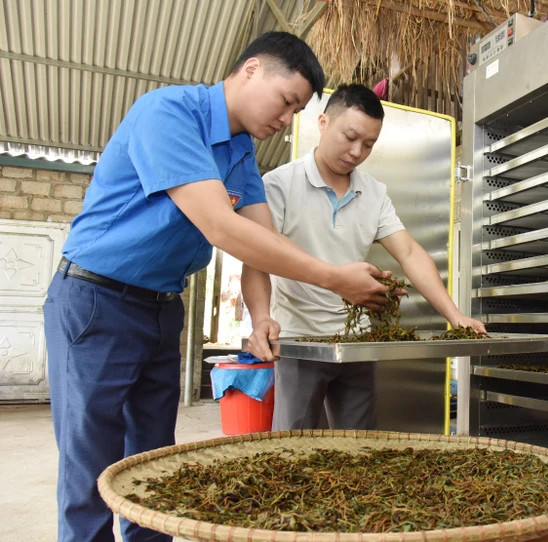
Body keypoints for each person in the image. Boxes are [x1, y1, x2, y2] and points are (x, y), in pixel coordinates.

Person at [43, 34, 394, 542]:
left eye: (297, 109)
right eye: (287, 101)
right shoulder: (168, 113)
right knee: (90, 454)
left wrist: (260, 317)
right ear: (251, 70)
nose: (286, 118)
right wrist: (333, 277)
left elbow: (259, 241)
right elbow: (222, 228)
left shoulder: (241, 153)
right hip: (98, 301)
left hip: (162, 306)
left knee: (153, 455)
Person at [242, 83, 486, 431]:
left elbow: (411, 253)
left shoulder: (373, 193)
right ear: (323, 122)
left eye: (369, 144)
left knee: (359, 448)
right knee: (292, 447)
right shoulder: (279, 185)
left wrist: (455, 316)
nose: (357, 151)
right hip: (299, 342)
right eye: (350, 137)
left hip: (357, 343)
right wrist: (261, 318)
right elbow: (256, 262)